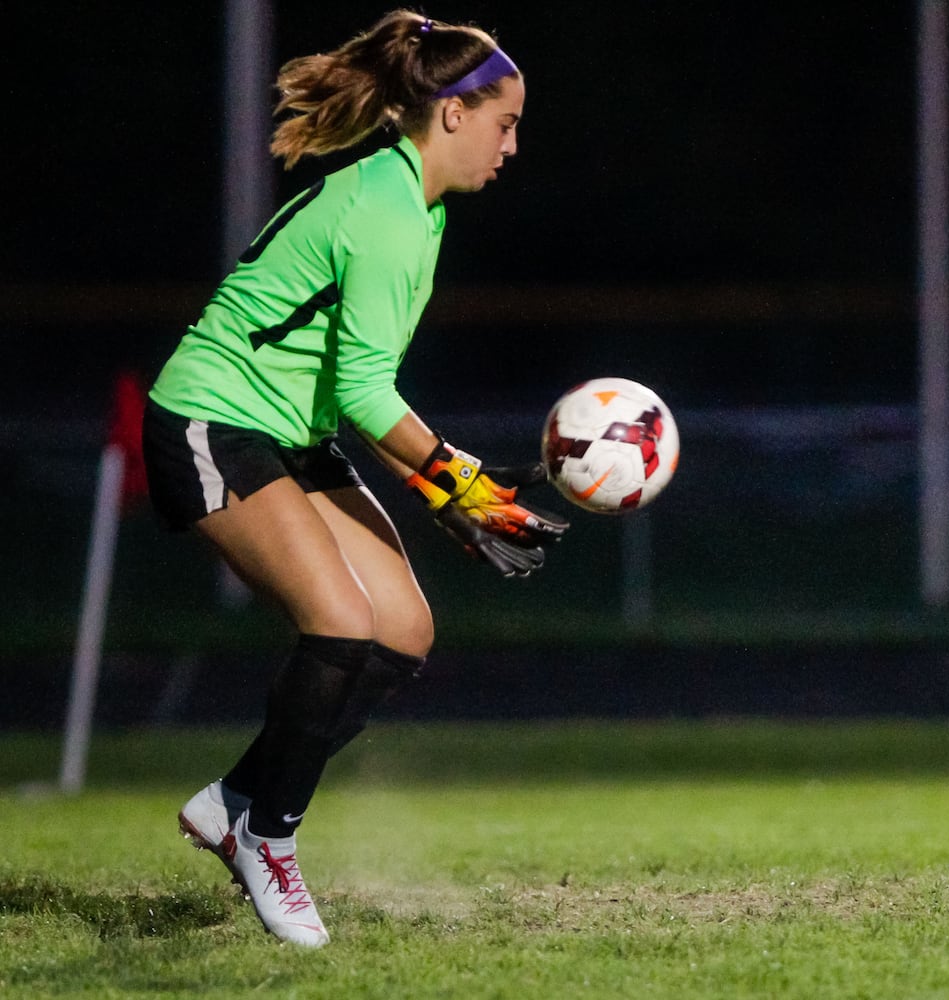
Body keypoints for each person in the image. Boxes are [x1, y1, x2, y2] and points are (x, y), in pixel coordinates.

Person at [142, 9, 568, 948]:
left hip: (292, 429)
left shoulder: (420, 207)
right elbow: (369, 395)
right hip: (212, 418)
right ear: (451, 115)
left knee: (403, 632)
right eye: (504, 123)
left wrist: (444, 488)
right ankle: (270, 838)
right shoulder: (383, 213)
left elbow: (351, 389)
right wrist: (457, 485)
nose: (511, 145)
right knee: (338, 622)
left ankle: (240, 800)